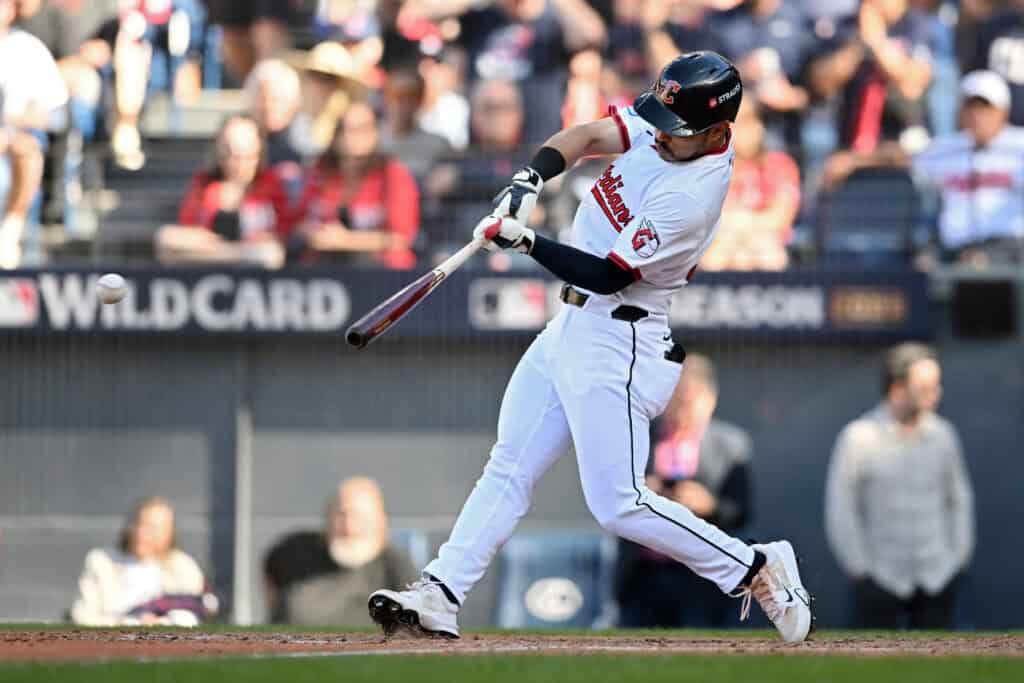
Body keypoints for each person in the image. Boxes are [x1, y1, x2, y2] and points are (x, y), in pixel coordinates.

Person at [367, 51, 814, 644]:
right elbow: (587, 136)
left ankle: (756, 567)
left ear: (719, 131)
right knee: (509, 463)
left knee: (620, 504)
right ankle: (442, 592)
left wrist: (526, 241)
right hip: (571, 327)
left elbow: (609, 275)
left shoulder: (694, 194)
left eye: (678, 131)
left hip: (621, 336)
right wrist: (528, 179)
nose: (661, 136)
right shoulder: (669, 123)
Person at [825, 343, 974, 629]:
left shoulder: (944, 435)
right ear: (897, 388)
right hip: (880, 579)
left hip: (938, 576)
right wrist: (860, 570)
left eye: (936, 384)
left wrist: (958, 559)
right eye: (925, 386)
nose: (936, 393)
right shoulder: (858, 437)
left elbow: (960, 501)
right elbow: (841, 509)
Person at [822, 70, 1024, 265]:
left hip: (1009, 248)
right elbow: (901, 157)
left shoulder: (1018, 147)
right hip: (956, 248)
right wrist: (853, 160)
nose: (978, 115)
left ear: (1003, 112)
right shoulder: (948, 149)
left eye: (985, 107)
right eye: (972, 106)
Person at [616, 354, 754, 628]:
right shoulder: (638, 436)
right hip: (643, 575)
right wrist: (644, 494)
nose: (680, 408)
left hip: (700, 580)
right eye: (674, 398)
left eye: (688, 400)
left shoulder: (731, 446)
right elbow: (612, 496)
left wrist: (708, 505)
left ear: (709, 400)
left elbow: (742, 512)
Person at [264, 477, 418, 625]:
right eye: (341, 515)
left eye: (359, 517)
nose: (349, 526)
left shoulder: (396, 566)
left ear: (380, 522)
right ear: (328, 517)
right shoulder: (293, 553)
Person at [289, 100, 420, 270]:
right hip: (326, 267)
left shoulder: (392, 174)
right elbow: (297, 222)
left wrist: (346, 240)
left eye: (361, 129)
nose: (352, 136)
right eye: (345, 129)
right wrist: (311, 232)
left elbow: (401, 238)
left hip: (381, 272)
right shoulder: (321, 170)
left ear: (375, 133)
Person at [155, 115, 289, 268]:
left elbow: (280, 236)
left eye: (247, 156)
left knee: (269, 254)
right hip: (215, 253)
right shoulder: (206, 184)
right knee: (165, 239)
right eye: (232, 155)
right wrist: (228, 249)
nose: (239, 163)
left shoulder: (270, 184)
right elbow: (189, 229)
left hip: (253, 257)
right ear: (220, 151)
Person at [807, 0, 936, 153]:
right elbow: (821, 84)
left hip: (901, 141)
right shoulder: (845, 26)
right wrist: (857, 46)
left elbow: (913, 85)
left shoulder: (916, 25)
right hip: (848, 140)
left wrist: (876, 41)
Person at [70, 497, 213, 627]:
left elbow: (192, 614)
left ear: (169, 533)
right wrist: (128, 623)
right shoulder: (101, 561)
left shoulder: (183, 565)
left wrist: (161, 622)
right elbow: (82, 614)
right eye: (139, 524)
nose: (142, 533)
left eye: (153, 528)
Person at [0, 0, 68, 269]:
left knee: (27, 150)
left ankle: (9, 234)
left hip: (17, 142)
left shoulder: (27, 50)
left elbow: (56, 115)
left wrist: (11, 126)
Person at [701, 99, 800, 271]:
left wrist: (738, 223)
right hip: (719, 245)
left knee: (767, 252)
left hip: (764, 244)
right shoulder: (704, 169)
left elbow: (780, 219)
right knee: (717, 254)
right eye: (737, 124)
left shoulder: (780, 164)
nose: (747, 131)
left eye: (751, 122)